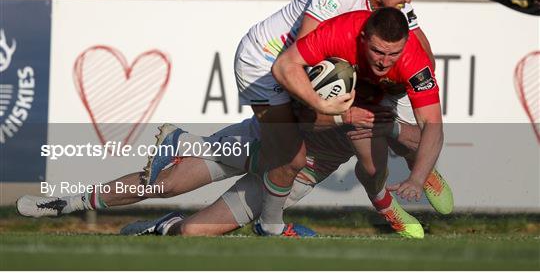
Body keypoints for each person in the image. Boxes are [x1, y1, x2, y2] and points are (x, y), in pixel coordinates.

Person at [144, 0, 439, 236]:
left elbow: (420, 48)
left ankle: (417, 174)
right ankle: (263, 219)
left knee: (368, 127)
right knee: (291, 155)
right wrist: (329, 107)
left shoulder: (393, 4)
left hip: (293, 66)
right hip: (265, 62)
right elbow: (303, 50)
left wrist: (411, 76)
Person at [17, 115, 429, 239]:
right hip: (254, 147)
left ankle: (162, 228)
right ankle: (64, 202)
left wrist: (420, 169)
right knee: (162, 183)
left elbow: (407, 145)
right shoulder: (347, 93)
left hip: (286, 183)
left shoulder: (382, 125)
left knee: (190, 236)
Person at [273, 7, 446, 223]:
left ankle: (423, 170)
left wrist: (417, 180)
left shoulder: (415, 61)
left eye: (393, 53)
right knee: (373, 168)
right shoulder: (339, 33)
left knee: (412, 144)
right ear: (363, 38)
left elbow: (433, 125)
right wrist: (320, 105)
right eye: (378, 51)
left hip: (394, 91)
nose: (384, 61)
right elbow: (283, 65)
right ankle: (384, 204)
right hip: (355, 92)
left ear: (404, 43)